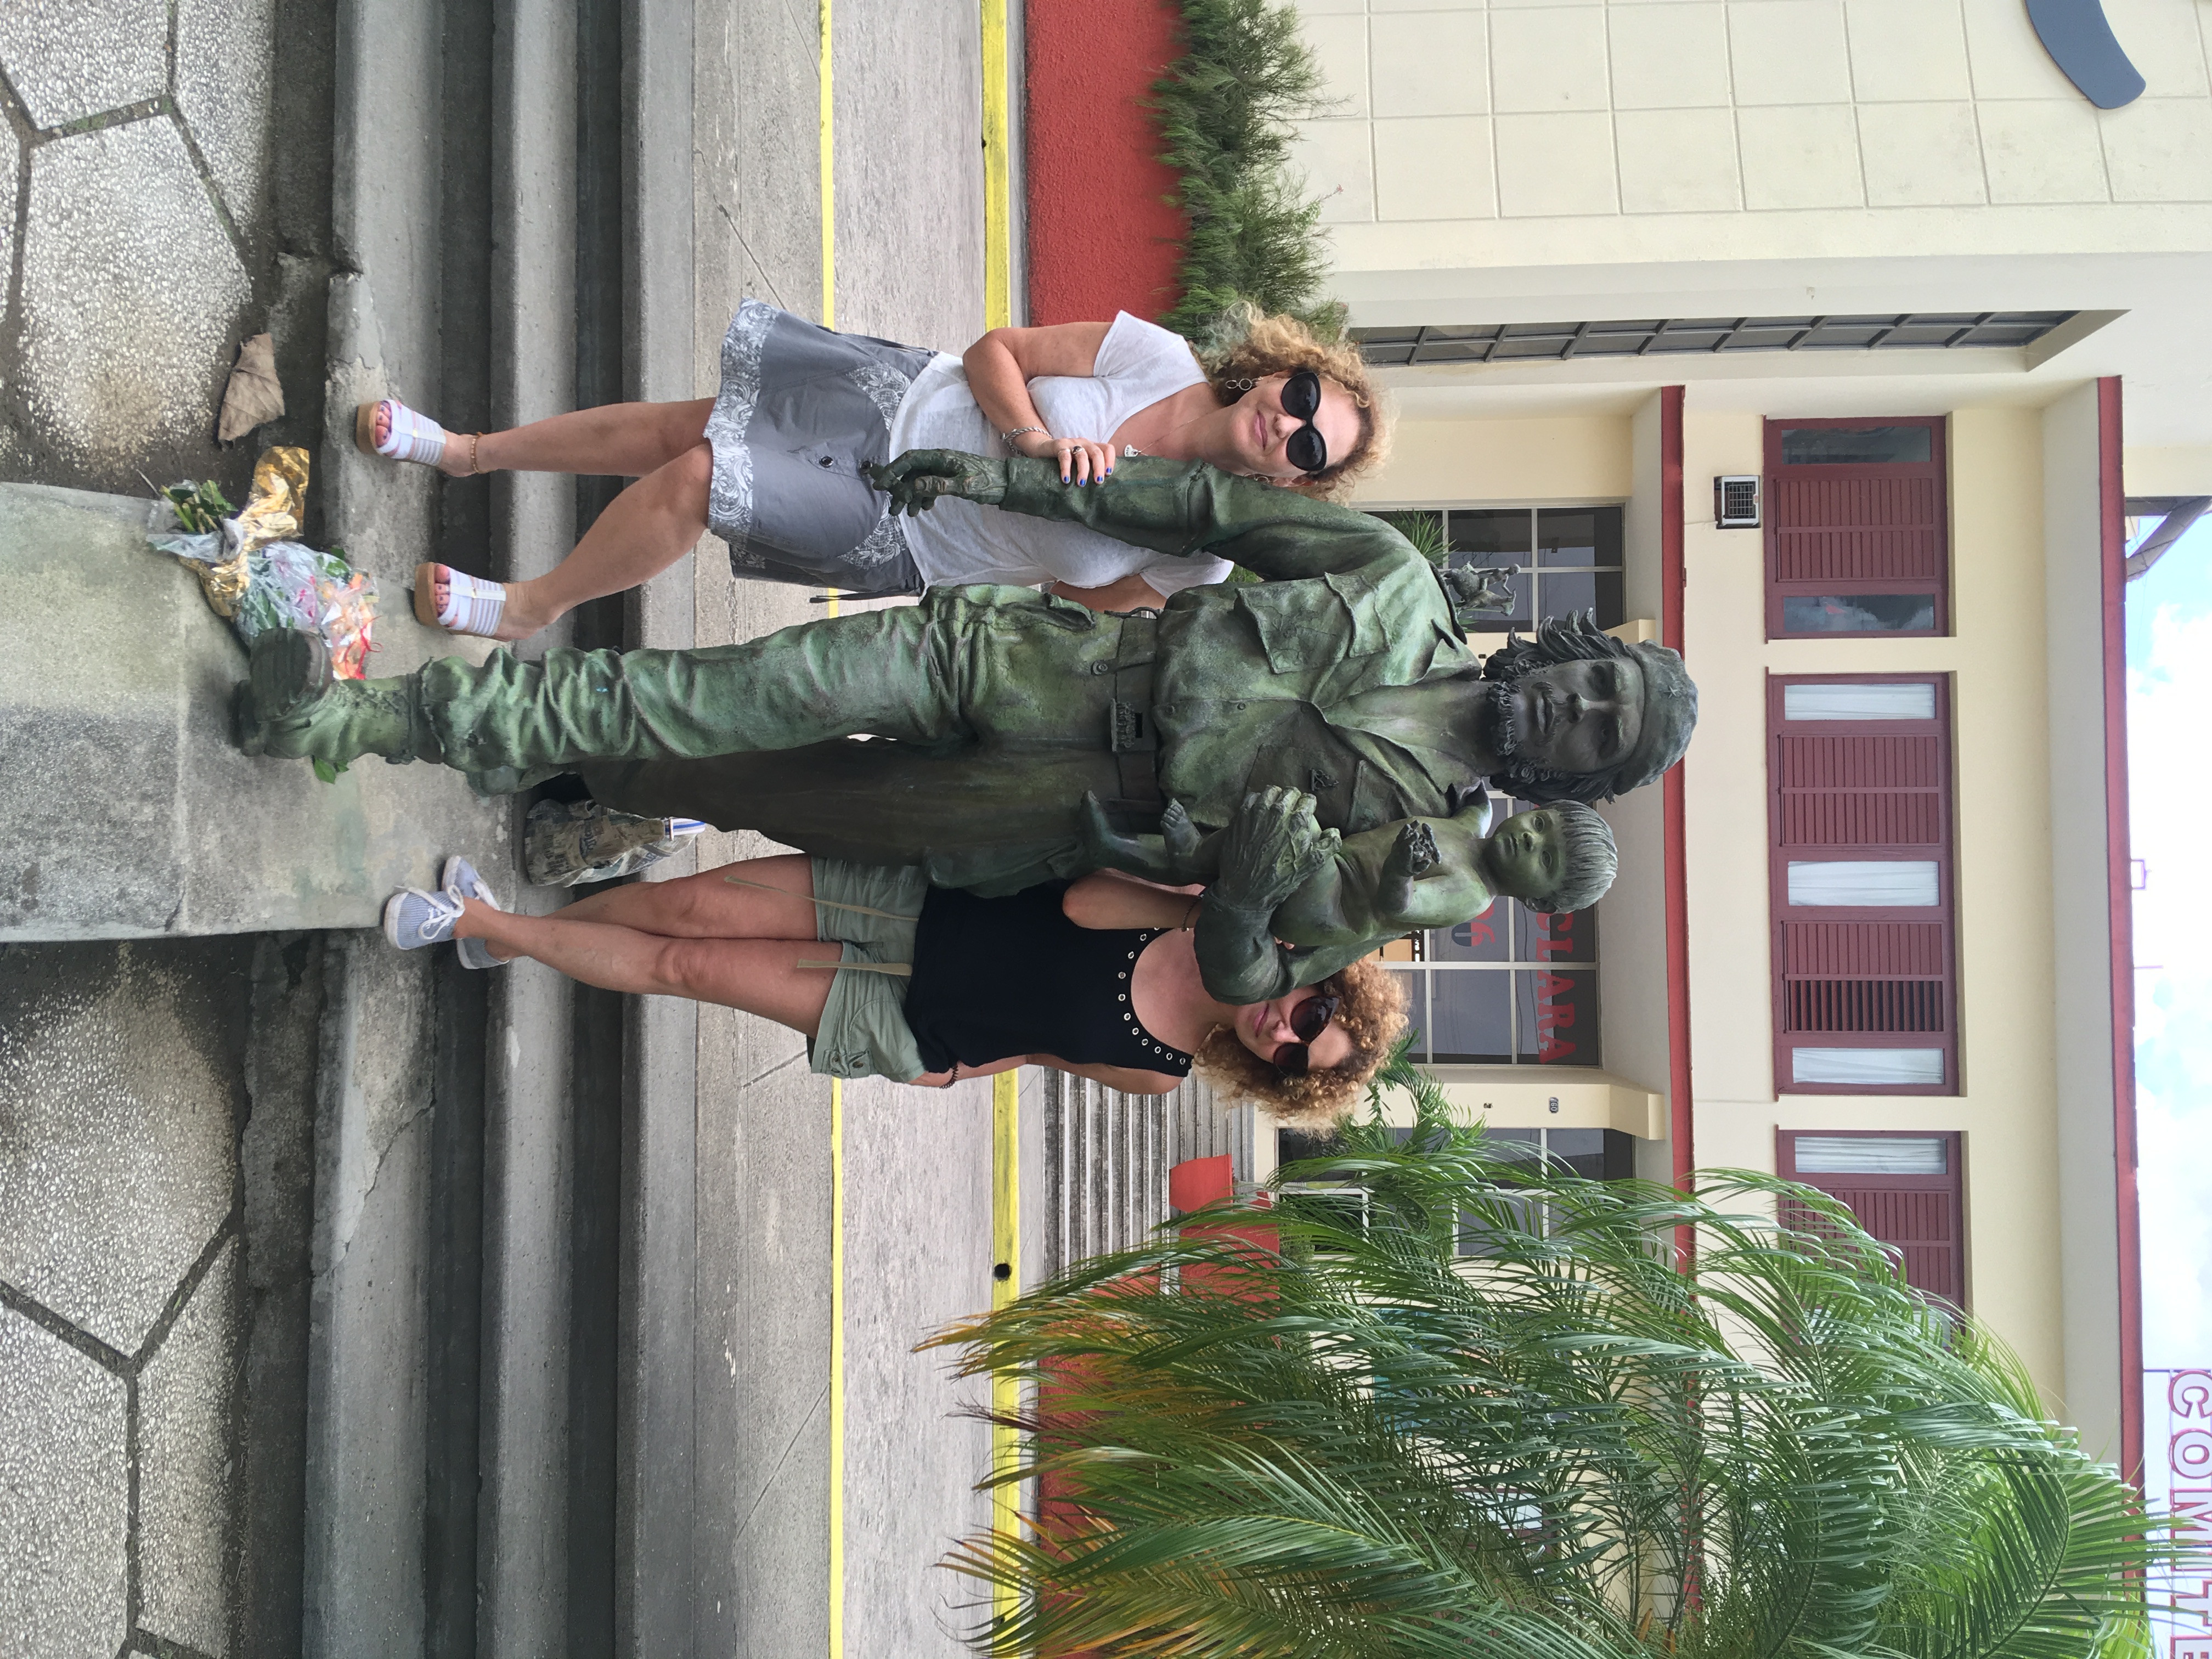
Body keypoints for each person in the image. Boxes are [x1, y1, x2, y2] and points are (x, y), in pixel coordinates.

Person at [234, 452, 1699, 1001]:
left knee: (756, 784)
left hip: (1036, 818)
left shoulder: (1427, 854)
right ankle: (365, 716)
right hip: (1027, 663)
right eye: (1594, 681)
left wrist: (1248, 896)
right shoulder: (1389, 579)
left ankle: (559, 762)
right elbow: (1202, 510)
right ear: (1569, 648)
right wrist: (1022, 487)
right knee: (724, 691)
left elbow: (1253, 976)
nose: (1572, 707)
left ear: (1580, 777)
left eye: (1595, 733)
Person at [357, 301, 1385, 638]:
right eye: (1302, 396)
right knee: (682, 426)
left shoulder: (1200, 555)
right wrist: (1036, 442)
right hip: (900, 399)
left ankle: (531, 605)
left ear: (1300, 483)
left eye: (1310, 445)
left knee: (703, 476)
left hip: (913, 531)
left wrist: (1100, 501)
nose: (1287, 423)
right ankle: (469, 452)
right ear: (1279, 372)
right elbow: (996, 351)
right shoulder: (1156, 358)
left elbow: (1076, 595)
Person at [383, 851, 1407, 1131]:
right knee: (686, 906)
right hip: (912, 904)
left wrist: (949, 1076)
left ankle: (479, 925)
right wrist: (1208, 922)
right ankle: (517, 937)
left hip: (906, 1018)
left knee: (683, 966)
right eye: (1312, 1014)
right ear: (1316, 975)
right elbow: (1083, 899)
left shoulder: (1158, 1070)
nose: (1284, 1029)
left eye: (1293, 1058)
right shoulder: (1193, 904)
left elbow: (1039, 1049)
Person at [1077, 791, 1617, 988]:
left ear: (1539, 900)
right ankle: (1125, 849)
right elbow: (1476, 793)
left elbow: (1397, 907)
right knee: (1270, 829)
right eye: (1540, 824)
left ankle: (1186, 854)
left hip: (1331, 906)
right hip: (1335, 862)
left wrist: (1401, 867)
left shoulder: (1472, 894)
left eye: (1545, 857)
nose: (1529, 839)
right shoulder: (1474, 827)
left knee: (1288, 829)